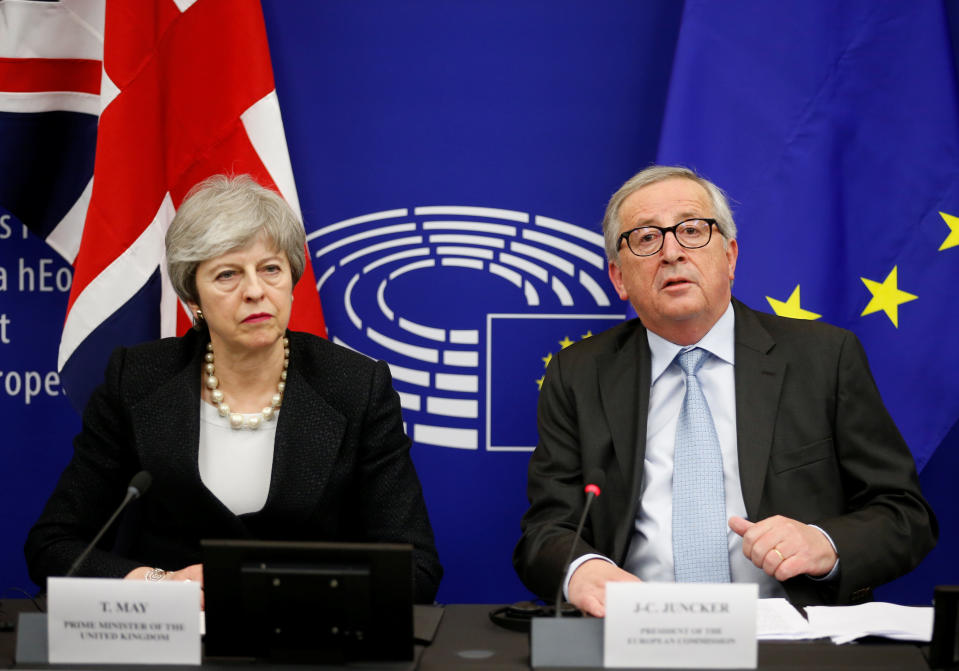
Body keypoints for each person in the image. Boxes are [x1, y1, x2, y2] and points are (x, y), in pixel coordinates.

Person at [513, 165, 936, 615]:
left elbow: (904, 515)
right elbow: (546, 529)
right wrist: (583, 568)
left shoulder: (824, 358)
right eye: (645, 238)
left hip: (790, 634)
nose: (672, 252)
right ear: (619, 278)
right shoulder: (578, 374)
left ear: (730, 257)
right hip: (636, 630)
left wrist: (824, 544)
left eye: (692, 230)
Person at [25, 175, 442, 603]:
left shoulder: (356, 387)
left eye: (270, 269)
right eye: (228, 275)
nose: (256, 291)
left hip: (309, 644)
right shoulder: (136, 381)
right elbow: (53, 546)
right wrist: (162, 586)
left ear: (291, 279)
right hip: (169, 642)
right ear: (194, 297)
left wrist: (283, 591)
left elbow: (416, 568)